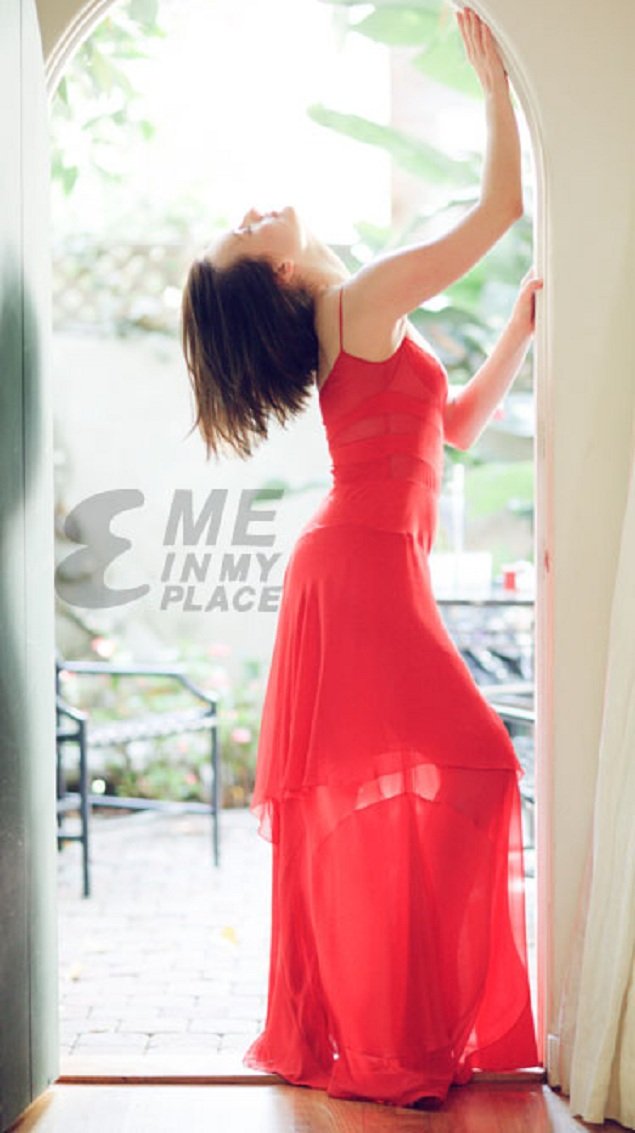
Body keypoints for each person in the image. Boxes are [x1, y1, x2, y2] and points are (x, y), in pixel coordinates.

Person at [180, 5, 543, 1111]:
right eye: (245, 236)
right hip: (362, 568)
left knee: (426, 782)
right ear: (277, 277)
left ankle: (401, 1024)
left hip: (362, 568)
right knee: (476, 763)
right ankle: (399, 1032)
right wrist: (495, 86)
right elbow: (500, 209)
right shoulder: (360, 297)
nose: (251, 215)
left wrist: (518, 332)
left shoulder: (362, 318)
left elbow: (453, 431)